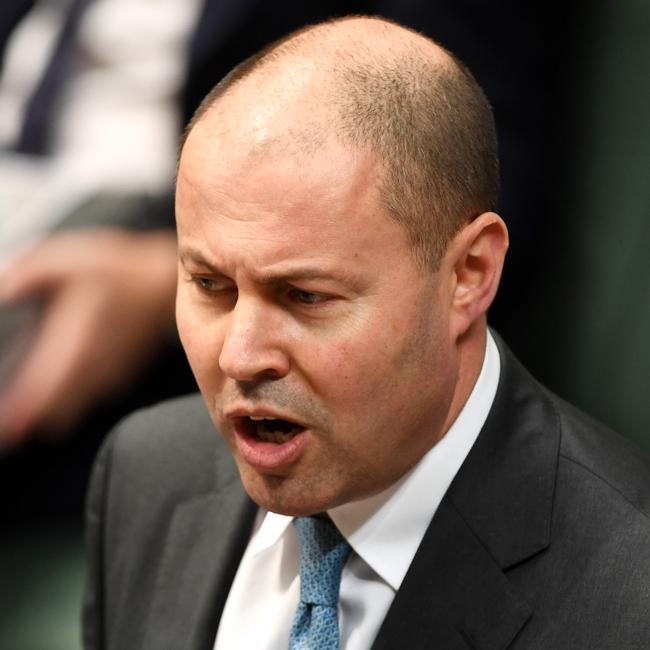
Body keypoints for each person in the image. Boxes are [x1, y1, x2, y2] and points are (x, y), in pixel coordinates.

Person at [83, 16, 649, 650]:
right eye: (211, 285)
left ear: (470, 272)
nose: (240, 355)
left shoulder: (631, 590)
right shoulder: (146, 473)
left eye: (304, 297)